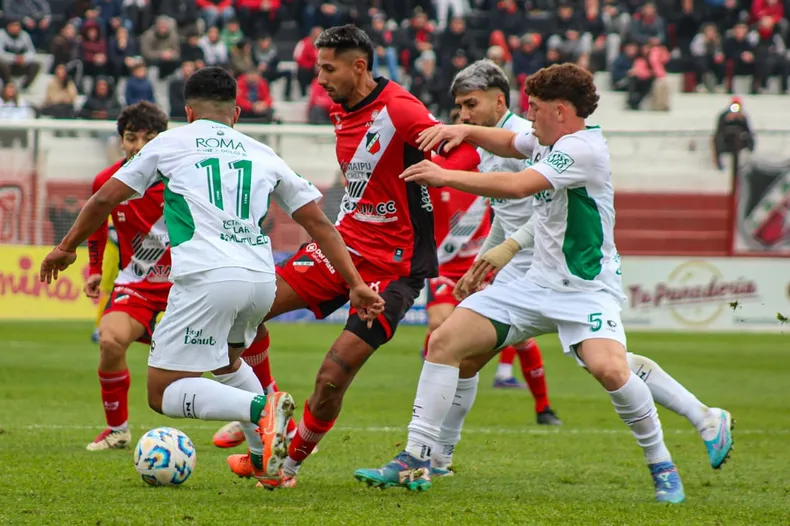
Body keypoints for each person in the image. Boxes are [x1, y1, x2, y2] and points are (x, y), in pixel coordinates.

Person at [355, 63, 734, 502]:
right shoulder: (545, 136)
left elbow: (518, 187)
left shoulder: (582, 149)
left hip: (584, 288)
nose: (527, 116)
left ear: (559, 110)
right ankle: (418, 458)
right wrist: (463, 132)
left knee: (611, 368)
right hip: (531, 283)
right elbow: (511, 140)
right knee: (445, 342)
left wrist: (446, 175)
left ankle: (662, 463)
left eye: (533, 108)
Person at [40, 67, 385, 485]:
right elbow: (321, 224)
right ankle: (267, 464)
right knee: (227, 360)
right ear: (236, 113)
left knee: (161, 393)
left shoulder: (170, 143)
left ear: (187, 112)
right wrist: (356, 284)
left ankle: (263, 409)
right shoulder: (262, 151)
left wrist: (64, 248)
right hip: (261, 281)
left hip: (207, 277)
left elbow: (103, 199)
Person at [211, 25, 482, 490]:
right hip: (341, 247)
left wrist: (441, 174)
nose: (319, 78)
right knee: (243, 311)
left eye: (328, 67)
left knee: (332, 378)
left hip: (394, 267)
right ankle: (266, 407)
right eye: (318, 67)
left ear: (359, 66)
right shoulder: (339, 110)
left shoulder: (399, 109)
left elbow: (467, 151)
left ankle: (286, 467)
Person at [423, 62, 562, 435]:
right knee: (455, 352)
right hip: (514, 265)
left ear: (499, 101)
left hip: (550, 269)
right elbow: (505, 213)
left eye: (471, 105)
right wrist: (486, 259)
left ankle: (700, 418)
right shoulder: (488, 144)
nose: (464, 116)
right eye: (460, 109)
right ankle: (434, 454)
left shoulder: (528, 139)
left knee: (609, 364)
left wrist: (505, 251)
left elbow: (550, 212)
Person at [80, 101, 170, 451]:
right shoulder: (107, 182)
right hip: (137, 285)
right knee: (109, 340)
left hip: (186, 285)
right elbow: (95, 226)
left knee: (228, 351)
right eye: (131, 137)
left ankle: (255, 420)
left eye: (148, 138)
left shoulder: (182, 179)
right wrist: (94, 269)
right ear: (121, 140)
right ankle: (117, 430)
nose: (139, 146)